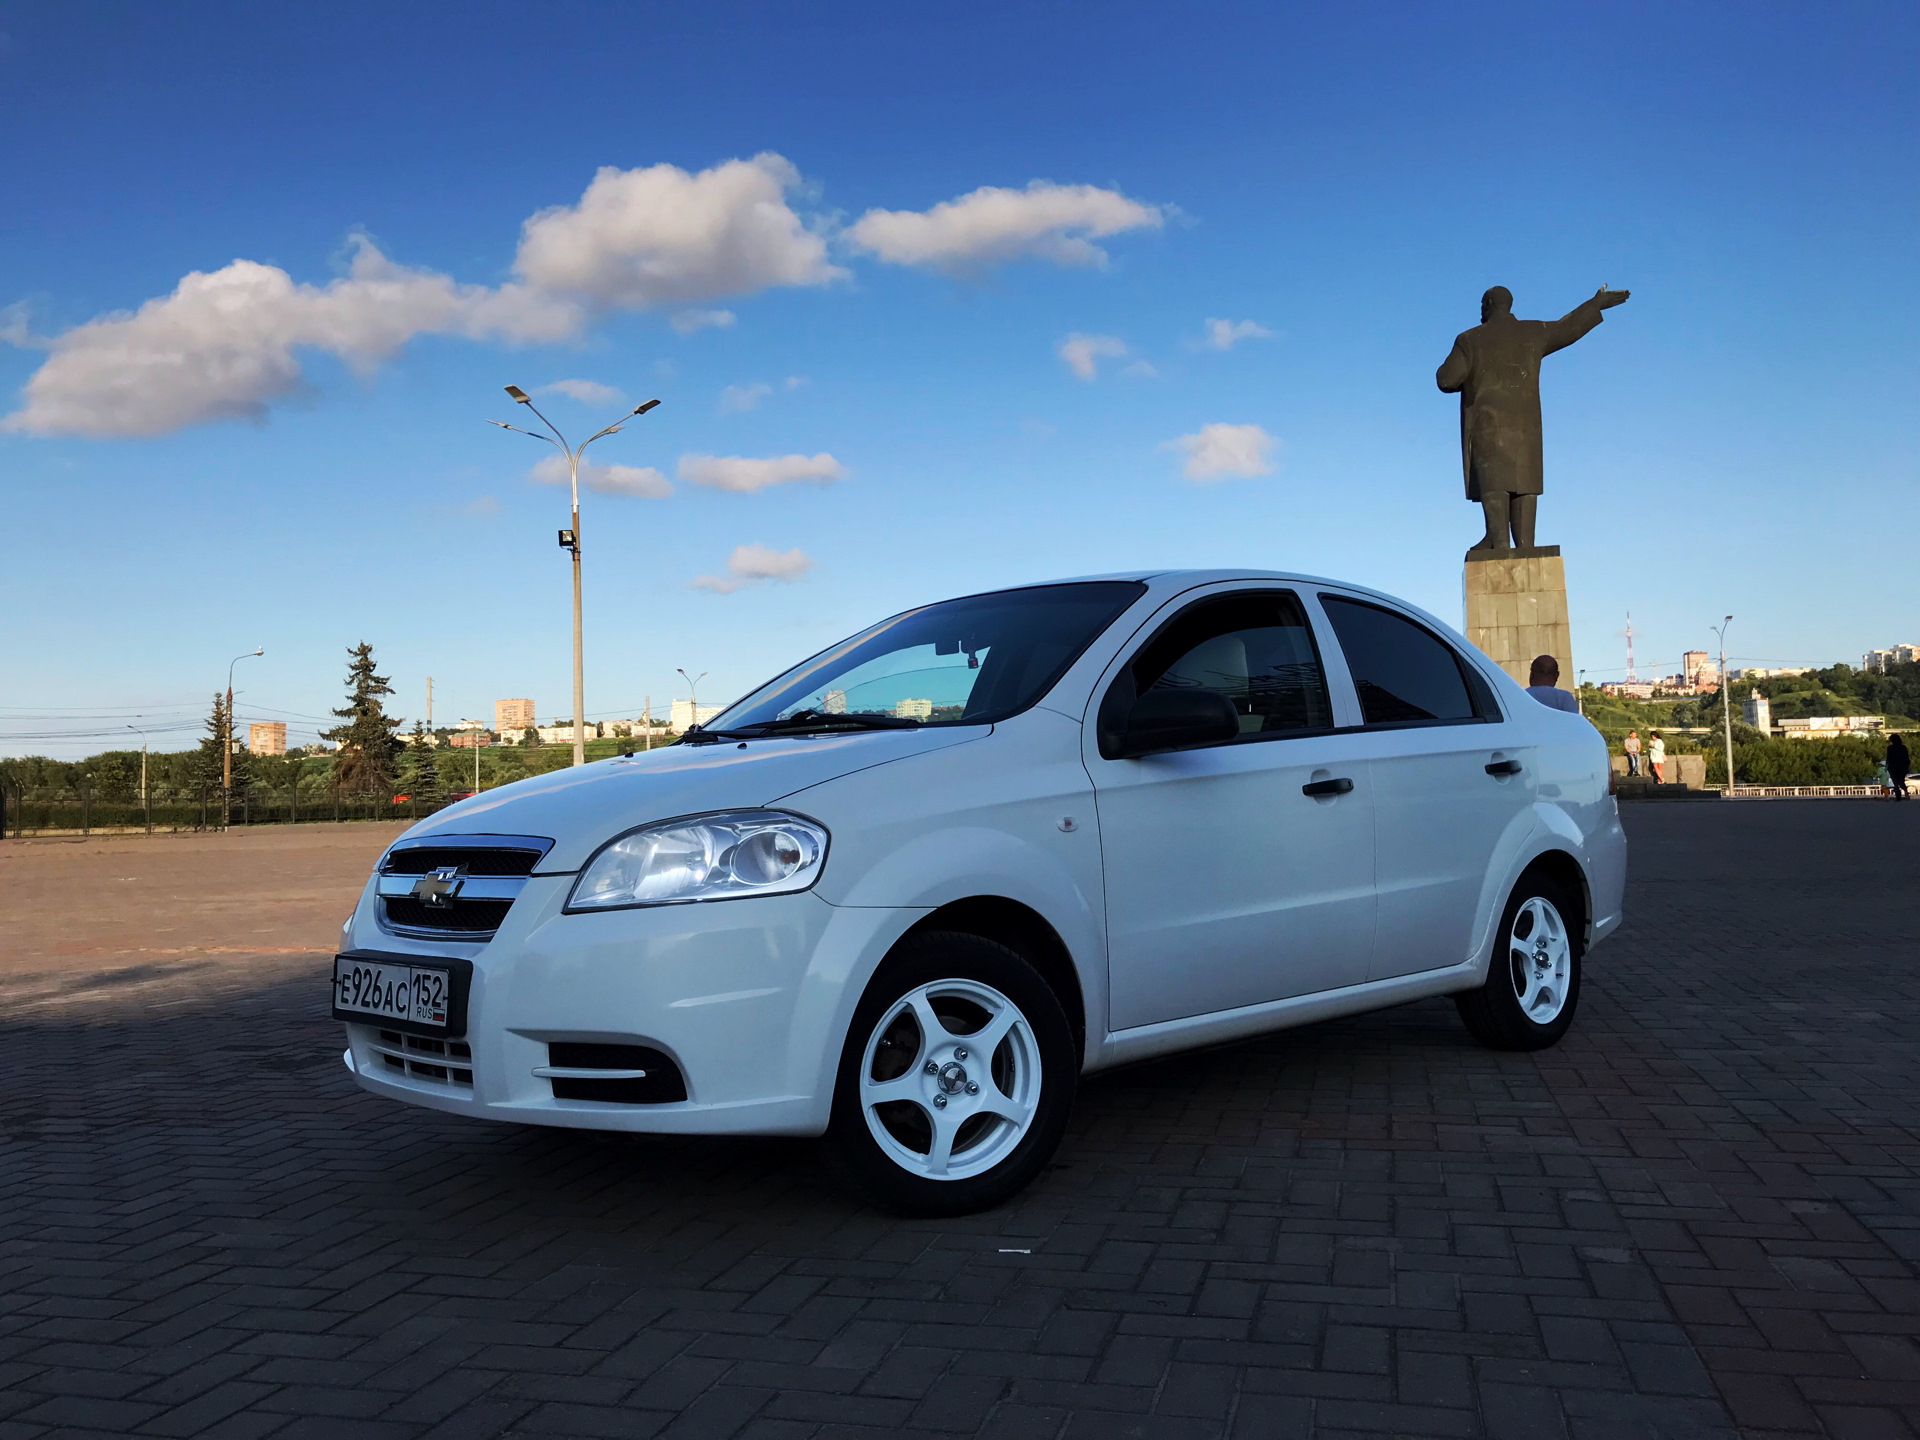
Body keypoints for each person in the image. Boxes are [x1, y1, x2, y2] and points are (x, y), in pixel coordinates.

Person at [1888, 733, 1911, 800]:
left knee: (1895, 782)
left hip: (1893, 767)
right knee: (1901, 781)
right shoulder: (1903, 747)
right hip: (1902, 767)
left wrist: (1888, 766)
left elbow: (1889, 758)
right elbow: (1906, 758)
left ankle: (1898, 795)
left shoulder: (1890, 748)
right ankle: (1906, 792)